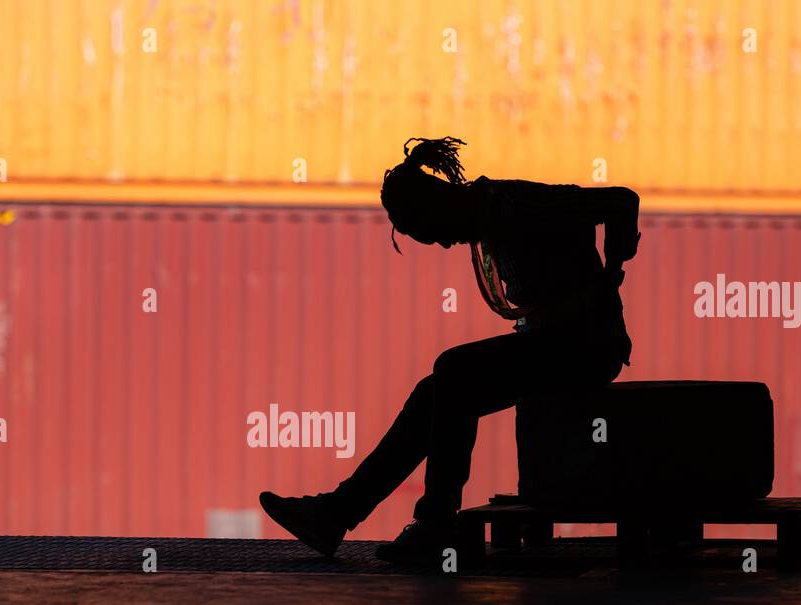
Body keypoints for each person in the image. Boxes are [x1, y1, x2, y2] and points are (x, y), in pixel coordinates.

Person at [260, 136, 641, 564]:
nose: (441, 244)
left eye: (434, 233)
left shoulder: (520, 203)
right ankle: (336, 513)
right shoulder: (491, 216)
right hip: (555, 345)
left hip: (588, 347)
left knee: (454, 372)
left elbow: (621, 200)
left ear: (441, 205)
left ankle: (436, 523)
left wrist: (614, 264)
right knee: (435, 390)